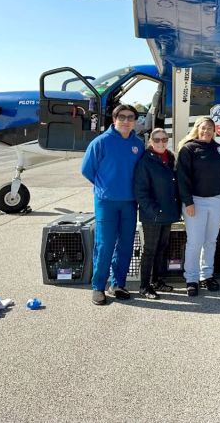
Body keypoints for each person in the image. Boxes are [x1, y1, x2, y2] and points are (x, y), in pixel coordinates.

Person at [81, 104, 144, 305]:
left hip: (129, 203)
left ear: (135, 121)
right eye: (122, 117)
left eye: (130, 117)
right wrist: (105, 187)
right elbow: (87, 170)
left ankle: (117, 284)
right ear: (114, 120)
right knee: (105, 244)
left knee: (125, 244)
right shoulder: (100, 142)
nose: (126, 121)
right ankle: (98, 287)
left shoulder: (138, 143)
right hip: (106, 202)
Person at [176, 117, 220, 297]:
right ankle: (191, 278)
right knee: (195, 242)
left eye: (210, 128)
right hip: (195, 202)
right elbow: (182, 179)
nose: (206, 131)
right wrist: (188, 202)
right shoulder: (188, 149)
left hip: (217, 201)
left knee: (210, 241)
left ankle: (207, 275)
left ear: (214, 130)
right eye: (203, 128)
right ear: (197, 128)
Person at [134, 128, 180, 299]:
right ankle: (144, 286)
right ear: (150, 142)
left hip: (167, 212)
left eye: (164, 139)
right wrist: (154, 211)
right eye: (157, 139)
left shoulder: (170, 157)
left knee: (162, 248)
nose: (161, 142)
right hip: (152, 214)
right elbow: (141, 191)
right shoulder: (145, 161)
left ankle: (157, 281)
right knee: (150, 250)